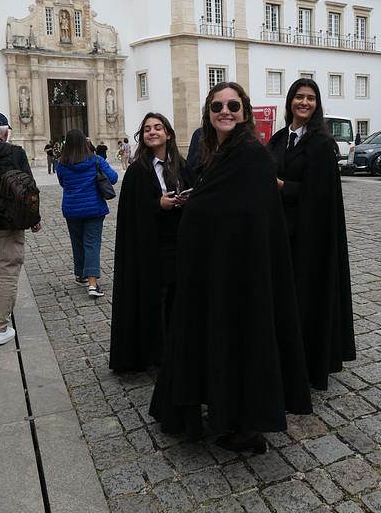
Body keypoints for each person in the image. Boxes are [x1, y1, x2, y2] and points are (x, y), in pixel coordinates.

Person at [149, 83, 312, 451]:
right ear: (208, 114)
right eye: (217, 106)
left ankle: (250, 428)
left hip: (244, 272)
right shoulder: (219, 153)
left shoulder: (251, 154)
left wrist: (200, 209)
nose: (226, 111)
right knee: (225, 339)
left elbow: (251, 216)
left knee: (245, 340)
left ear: (245, 111)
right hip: (221, 269)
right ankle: (231, 412)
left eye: (233, 105)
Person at [267, 78, 356, 390]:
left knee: (305, 299)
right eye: (299, 97)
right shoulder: (277, 140)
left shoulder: (321, 144)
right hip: (278, 234)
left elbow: (320, 195)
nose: (304, 103)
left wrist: (280, 186)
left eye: (311, 98)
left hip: (308, 238)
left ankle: (305, 361)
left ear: (317, 105)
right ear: (290, 100)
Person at [110, 113, 195, 372]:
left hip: (180, 240)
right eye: (147, 129)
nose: (152, 132)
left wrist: (187, 200)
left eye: (158, 128)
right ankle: (158, 348)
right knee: (158, 292)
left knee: (179, 292)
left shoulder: (182, 165)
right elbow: (130, 211)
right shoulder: (137, 171)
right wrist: (158, 205)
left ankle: (179, 343)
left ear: (168, 134)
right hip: (151, 243)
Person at [0, 111, 42, 346]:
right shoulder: (15, 153)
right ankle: (0, 327)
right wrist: (35, 218)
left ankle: (1, 314)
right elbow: (28, 189)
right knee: (8, 273)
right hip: (8, 222)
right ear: (6, 133)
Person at [57, 129, 118, 297]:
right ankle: (93, 284)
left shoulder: (61, 164)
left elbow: (63, 183)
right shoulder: (96, 160)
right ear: (85, 142)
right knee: (92, 243)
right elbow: (113, 178)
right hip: (94, 209)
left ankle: (81, 274)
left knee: (77, 243)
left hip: (72, 209)